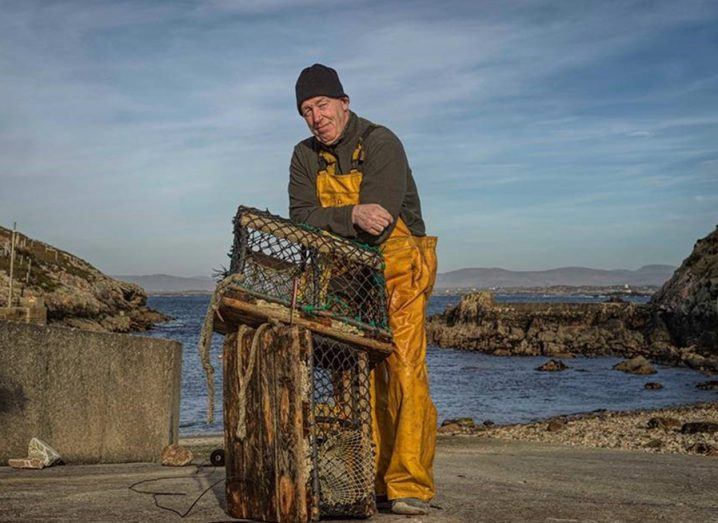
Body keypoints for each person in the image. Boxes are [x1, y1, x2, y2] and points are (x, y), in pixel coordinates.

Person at [288, 63, 438, 516]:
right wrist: (349, 215)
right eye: (306, 110)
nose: (316, 117)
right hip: (342, 275)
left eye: (322, 105)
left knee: (402, 371)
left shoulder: (381, 142)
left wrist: (335, 218)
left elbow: (382, 220)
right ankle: (367, 480)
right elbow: (299, 218)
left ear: (344, 103)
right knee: (349, 378)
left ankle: (409, 484)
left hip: (397, 269)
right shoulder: (303, 154)